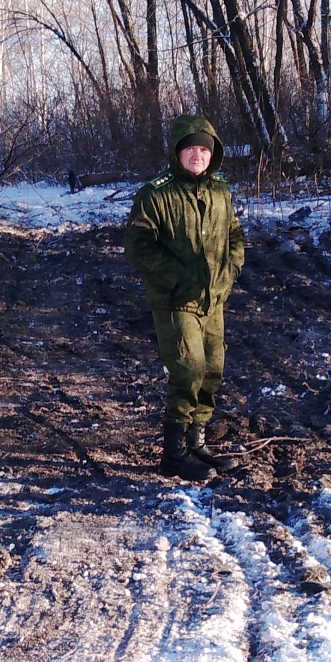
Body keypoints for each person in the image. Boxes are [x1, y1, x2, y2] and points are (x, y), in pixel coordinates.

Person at [123, 114, 246, 481]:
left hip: (214, 299)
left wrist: (231, 271)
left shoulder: (221, 192)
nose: (197, 155)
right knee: (188, 368)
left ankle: (197, 442)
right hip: (175, 300)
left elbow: (236, 238)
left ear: (213, 154)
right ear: (177, 151)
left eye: (204, 149)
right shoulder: (156, 194)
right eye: (190, 148)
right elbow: (138, 247)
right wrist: (180, 278)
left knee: (212, 370)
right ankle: (173, 454)